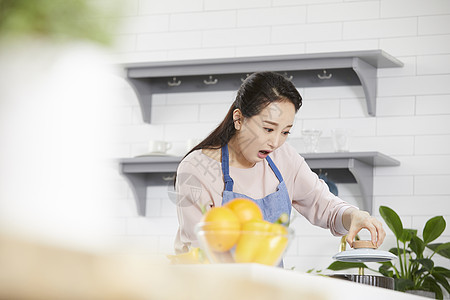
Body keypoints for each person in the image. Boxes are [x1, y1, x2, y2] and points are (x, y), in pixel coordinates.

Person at [174, 71, 385, 256]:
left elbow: (325, 206)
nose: (275, 142)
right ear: (238, 119)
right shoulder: (197, 168)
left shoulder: (283, 159)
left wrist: (354, 215)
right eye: (268, 128)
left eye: (285, 132)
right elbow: (198, 252)